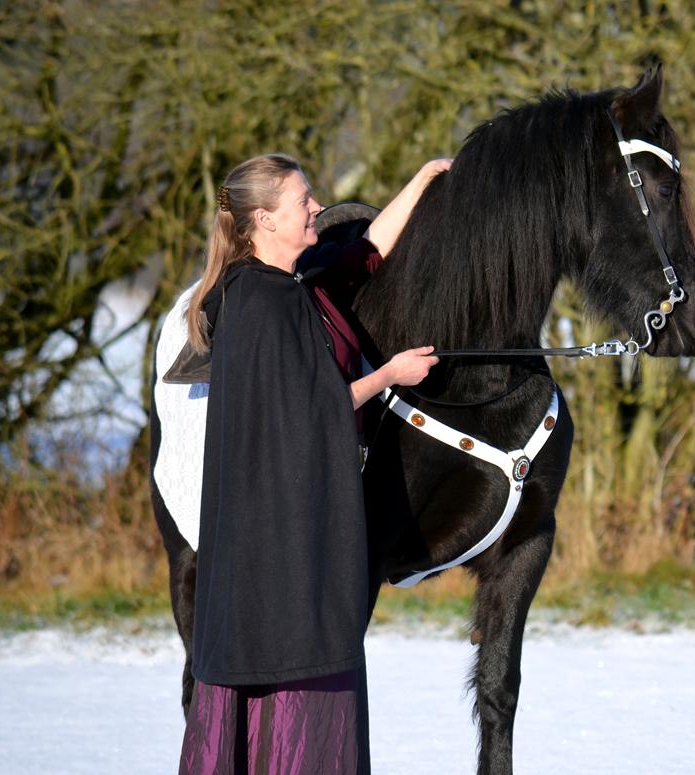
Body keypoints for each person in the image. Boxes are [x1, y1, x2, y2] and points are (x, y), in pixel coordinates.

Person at [177, 152, 447, 774]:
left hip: (292, 528)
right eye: (304, 201)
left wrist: (425, 178)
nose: (318, 208)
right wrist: (389, 375)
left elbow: (367, 251)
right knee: (298, 668)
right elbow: (303, 415)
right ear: (265, 219)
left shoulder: (294, 287)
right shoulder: (260, 306)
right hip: (279, 547)